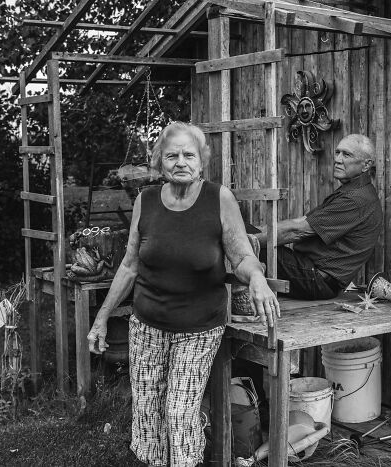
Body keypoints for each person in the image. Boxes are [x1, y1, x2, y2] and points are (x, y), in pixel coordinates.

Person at [86, 122, 280, 467]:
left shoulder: (218, 199)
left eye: (189, 154)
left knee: (178, 413)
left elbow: (242, 255)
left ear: (201, 161)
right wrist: (102, 318)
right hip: (147, 324)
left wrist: (257, 279)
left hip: (198, 328)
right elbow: (130, 265)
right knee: (147, 413)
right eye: (172, 155)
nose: (180, 161)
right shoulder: (146, 201)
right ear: (160, 162)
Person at [254, 133, 383, 299]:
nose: (337, 159)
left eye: (347, 154)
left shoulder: (356, 199)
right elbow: (302, 221)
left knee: (242, 245)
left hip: (317, 281)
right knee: (242, 236)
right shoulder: (353, 191)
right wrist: (251, 233)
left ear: (366, 165)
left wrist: (245, 239)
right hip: (314, 275)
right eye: (337, 152)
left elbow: (295, 231)